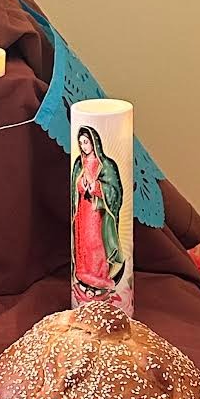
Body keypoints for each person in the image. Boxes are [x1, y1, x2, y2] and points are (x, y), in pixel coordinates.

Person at [71, 126, 125, 295]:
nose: (84, 146)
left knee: (96, 243)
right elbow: (75, 186)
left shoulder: (106, 165)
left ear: (94, 142)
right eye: (81, 143)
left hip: (97, 212)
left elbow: (115, 191)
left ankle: (99, 278)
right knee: (83, 243)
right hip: (82, 211)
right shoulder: (79, 163)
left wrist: (95, 186)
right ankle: (84, 276)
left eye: (86, 142)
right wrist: (82, 184)